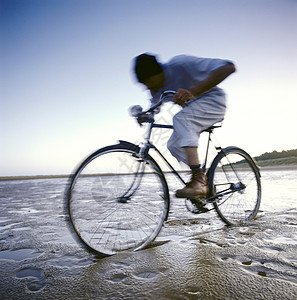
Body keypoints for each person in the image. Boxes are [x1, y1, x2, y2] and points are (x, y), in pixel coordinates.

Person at [133, 53, 236, 198]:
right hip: (192, 109)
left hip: (213, 102)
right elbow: (155, 104)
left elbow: (229, 67)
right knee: (173, 145)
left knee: (181, 119)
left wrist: (193, 92)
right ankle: (204, 182)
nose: (147, 86)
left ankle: (198, 181)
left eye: (148, 81)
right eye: (144, 84)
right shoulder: (156, 87)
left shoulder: (181, 64)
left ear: (158, 72)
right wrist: (147, 115)